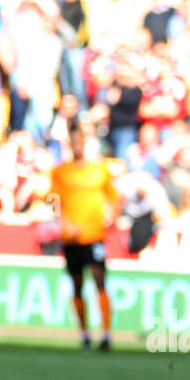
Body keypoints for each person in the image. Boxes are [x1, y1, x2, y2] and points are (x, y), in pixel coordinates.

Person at [47, 125, 117, 350]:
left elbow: (114, 197)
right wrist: (64, 222)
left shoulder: (100, 170)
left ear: (85, 144)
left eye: (80, 142)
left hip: (94, 235)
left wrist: (112, 216)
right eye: (73, 143)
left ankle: (106, 334)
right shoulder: (60, 172)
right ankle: (85, 334)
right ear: (69, 145)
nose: (77, 147)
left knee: (99, 281)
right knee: (77, 284)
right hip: (71, 238)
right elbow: (53, 199)